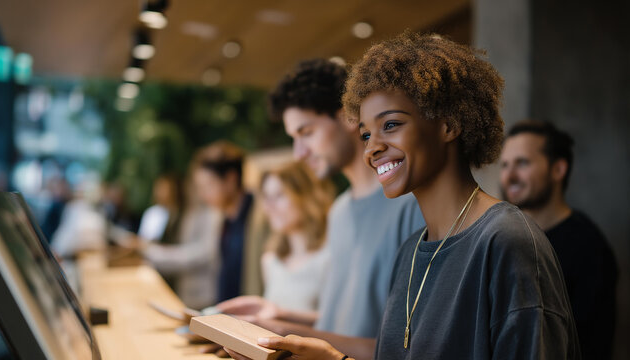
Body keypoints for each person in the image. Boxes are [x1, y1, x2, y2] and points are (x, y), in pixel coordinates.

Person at [225, 31, 580, 360]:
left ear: (449, 125)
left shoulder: (507, 241)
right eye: (366, 134)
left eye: (391, 125)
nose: (373, 149)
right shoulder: (412, 250)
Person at [216, 58, 424, 360]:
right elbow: (340, 324)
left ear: (350, 118)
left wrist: (277, 330)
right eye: (293, 138)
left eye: (307, 132)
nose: (299, 154)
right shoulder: (339, 213)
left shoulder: (411, 207)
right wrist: (277, 318)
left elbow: (404, 347)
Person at [499, 120, 618, 359]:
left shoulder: (589, 248)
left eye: (522, 163)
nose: (509, 176)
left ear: (558, 170)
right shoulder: (503, 238)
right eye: (504, 165)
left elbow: (589, 347)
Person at [142, 150, 224, 309]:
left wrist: (157, 255)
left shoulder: (213, 213)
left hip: (204, 295)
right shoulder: (192, 212)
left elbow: (203, 253)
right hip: (186, 291)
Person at [194, 141, 268, 302]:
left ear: (230, 179)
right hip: (227, 315)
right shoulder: (222, 218)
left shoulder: (262, 216)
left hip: (251, 319)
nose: (203, 195)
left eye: (209, 185)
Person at [259, 161, 334, 312]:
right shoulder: (270, 261)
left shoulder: (329, 258)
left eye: (279, 195)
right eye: (267, 197)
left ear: (304, 196)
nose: (269, 206)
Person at [136, 174, 183, 244]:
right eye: (159, 188)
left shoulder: (179, 214)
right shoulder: (152, 212)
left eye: (165, 188)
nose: (160, 192)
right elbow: (142, 240)